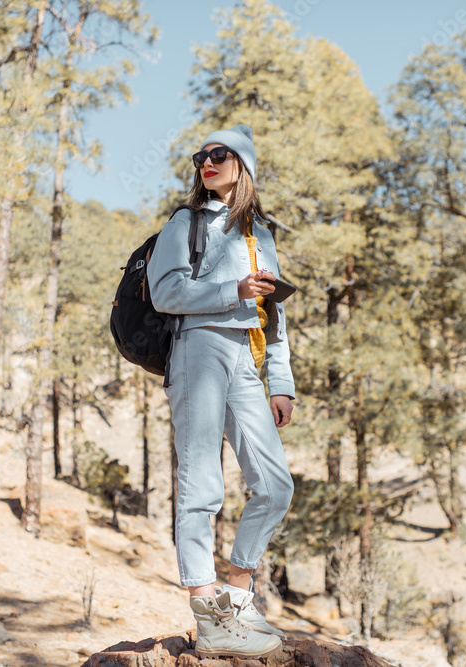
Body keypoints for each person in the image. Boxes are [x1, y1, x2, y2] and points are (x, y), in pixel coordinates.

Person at [146, 124, 295, 659]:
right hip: (198, 348)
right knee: (202, 480)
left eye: (219, 154)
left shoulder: (263, 235)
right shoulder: (185, 222)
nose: (206, 162)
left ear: (244, 166)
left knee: (276, 486)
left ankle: (237, 593)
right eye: (200, 156)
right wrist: (231, 290)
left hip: (248, 359)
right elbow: (166, 291)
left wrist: (281, 384)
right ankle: (206, 608)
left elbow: (273, 317)